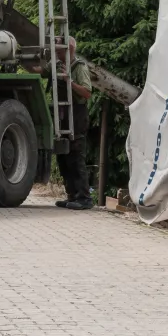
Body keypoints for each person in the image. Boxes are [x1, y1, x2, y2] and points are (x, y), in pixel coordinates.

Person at [54, 37, 95, 210]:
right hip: (63, 116)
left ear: (68, 48)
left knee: (76, 157)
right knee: (63, 157)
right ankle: (71, 195)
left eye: (58, 49)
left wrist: (68, 82)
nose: (56, 51)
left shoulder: (79, 67)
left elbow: (87, 93)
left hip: (77, 116)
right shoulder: (59, 66)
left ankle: (84, 198)